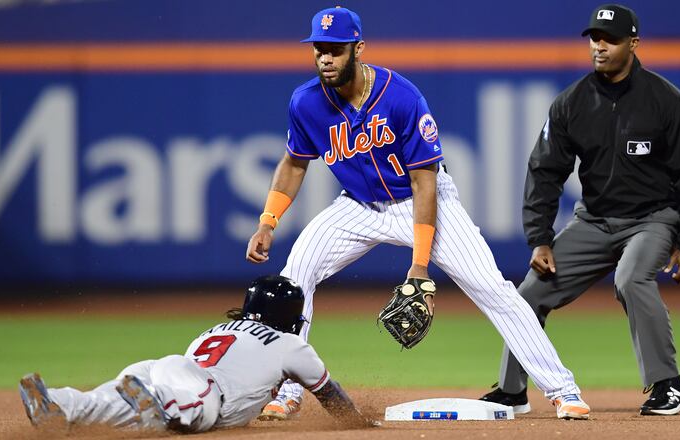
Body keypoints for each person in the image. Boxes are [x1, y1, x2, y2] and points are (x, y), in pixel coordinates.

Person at [245, 6, 590, 421]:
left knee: (494, 289)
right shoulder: (305, 102)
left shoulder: (400, 96)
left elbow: (424, 181)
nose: (325, 58)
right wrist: (268, 221)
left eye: (335, 49)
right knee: (293, 278)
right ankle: (287, 391)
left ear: (358, 48)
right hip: (357, 205)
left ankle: (562, 390)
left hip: (424, 200)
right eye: (319, 48)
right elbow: (294, 162)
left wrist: (419, 265)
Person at [479, 4, 680, 416]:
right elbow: (544, 172)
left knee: (631, 277)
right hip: (595, 221)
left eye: (611, 39)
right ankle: (513, 389)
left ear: (634, 44)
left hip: (653, 219)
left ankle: (669, 384)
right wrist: (540, 238)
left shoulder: (666, 100)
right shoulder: (572, 102)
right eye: (594, 38)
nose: (599, 46)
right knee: (527, 294)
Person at [19, 275, 372, 433]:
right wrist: (361, 423)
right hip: (197, 388)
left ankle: (59, 404)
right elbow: (329, 394)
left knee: (106, 398)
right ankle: (155, 405)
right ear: (288, 317)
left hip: (166, 366)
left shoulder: (215, 330)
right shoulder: (291, 344)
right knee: (188, 412)